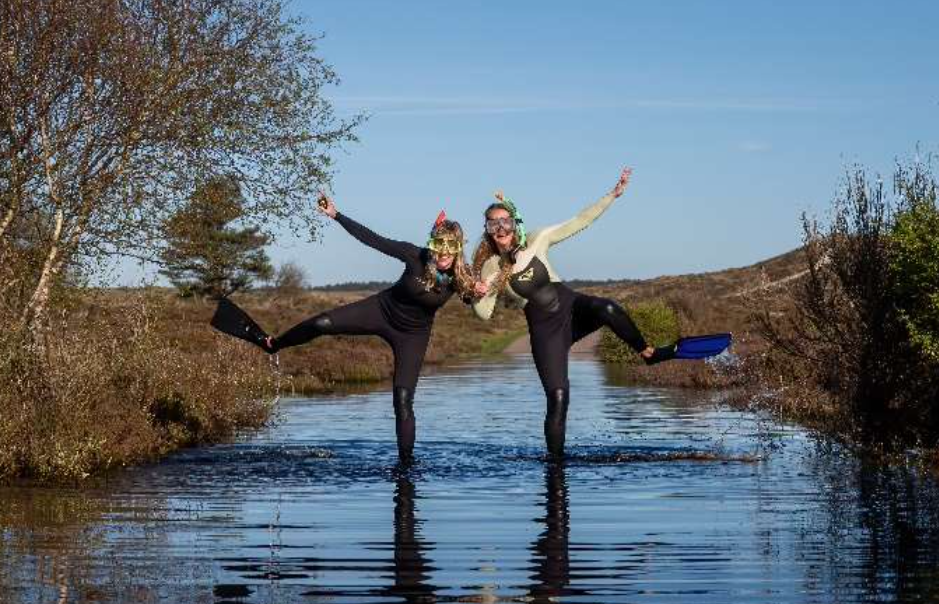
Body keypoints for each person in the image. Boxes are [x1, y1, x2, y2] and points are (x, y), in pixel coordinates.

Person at [471, 168, 730, 458]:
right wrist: (476, 294)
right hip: (545, 332)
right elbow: (484, 313)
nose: (500, 229)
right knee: (558, 398)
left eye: (504, 221)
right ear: (488, 230)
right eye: (493, 224)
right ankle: (555, 464)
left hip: (572, 307)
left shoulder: (537, 239)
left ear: (514, 223)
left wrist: (612, 196)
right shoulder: (491, 267)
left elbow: (580, 220)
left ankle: (649, 353)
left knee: (608, 307)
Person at [211, 195, 485, 465]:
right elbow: (372, 239)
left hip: (413, 335)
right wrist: (336, 215)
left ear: (458, 248)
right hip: (380, 311)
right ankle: (272, 343)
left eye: (451, 247)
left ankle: (406, 466)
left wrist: (479, 293)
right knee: (322, 323)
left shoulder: (462, 276)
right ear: (432, 243)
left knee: (402, 400)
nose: (444, 254)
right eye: (440, 245)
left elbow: (471, 300)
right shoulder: (414, 255)